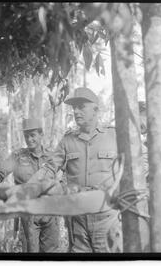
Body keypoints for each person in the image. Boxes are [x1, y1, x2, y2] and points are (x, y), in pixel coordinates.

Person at [38, 87, 122, 253]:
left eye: (81, 107)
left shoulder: (114, 136)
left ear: (96, 109)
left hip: (107, 217)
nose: (76, 111)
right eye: (74, 108)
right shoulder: (67, 140)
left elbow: (138, 164)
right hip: (78, 220)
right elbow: (49, 168)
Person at [0, 118, 59, 253]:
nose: (29, 139)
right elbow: (0, 172)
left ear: (41, 135)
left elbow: (64, 177)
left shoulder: (52, 156)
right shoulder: (17, 156)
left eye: (33, 135)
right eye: (26, 136)